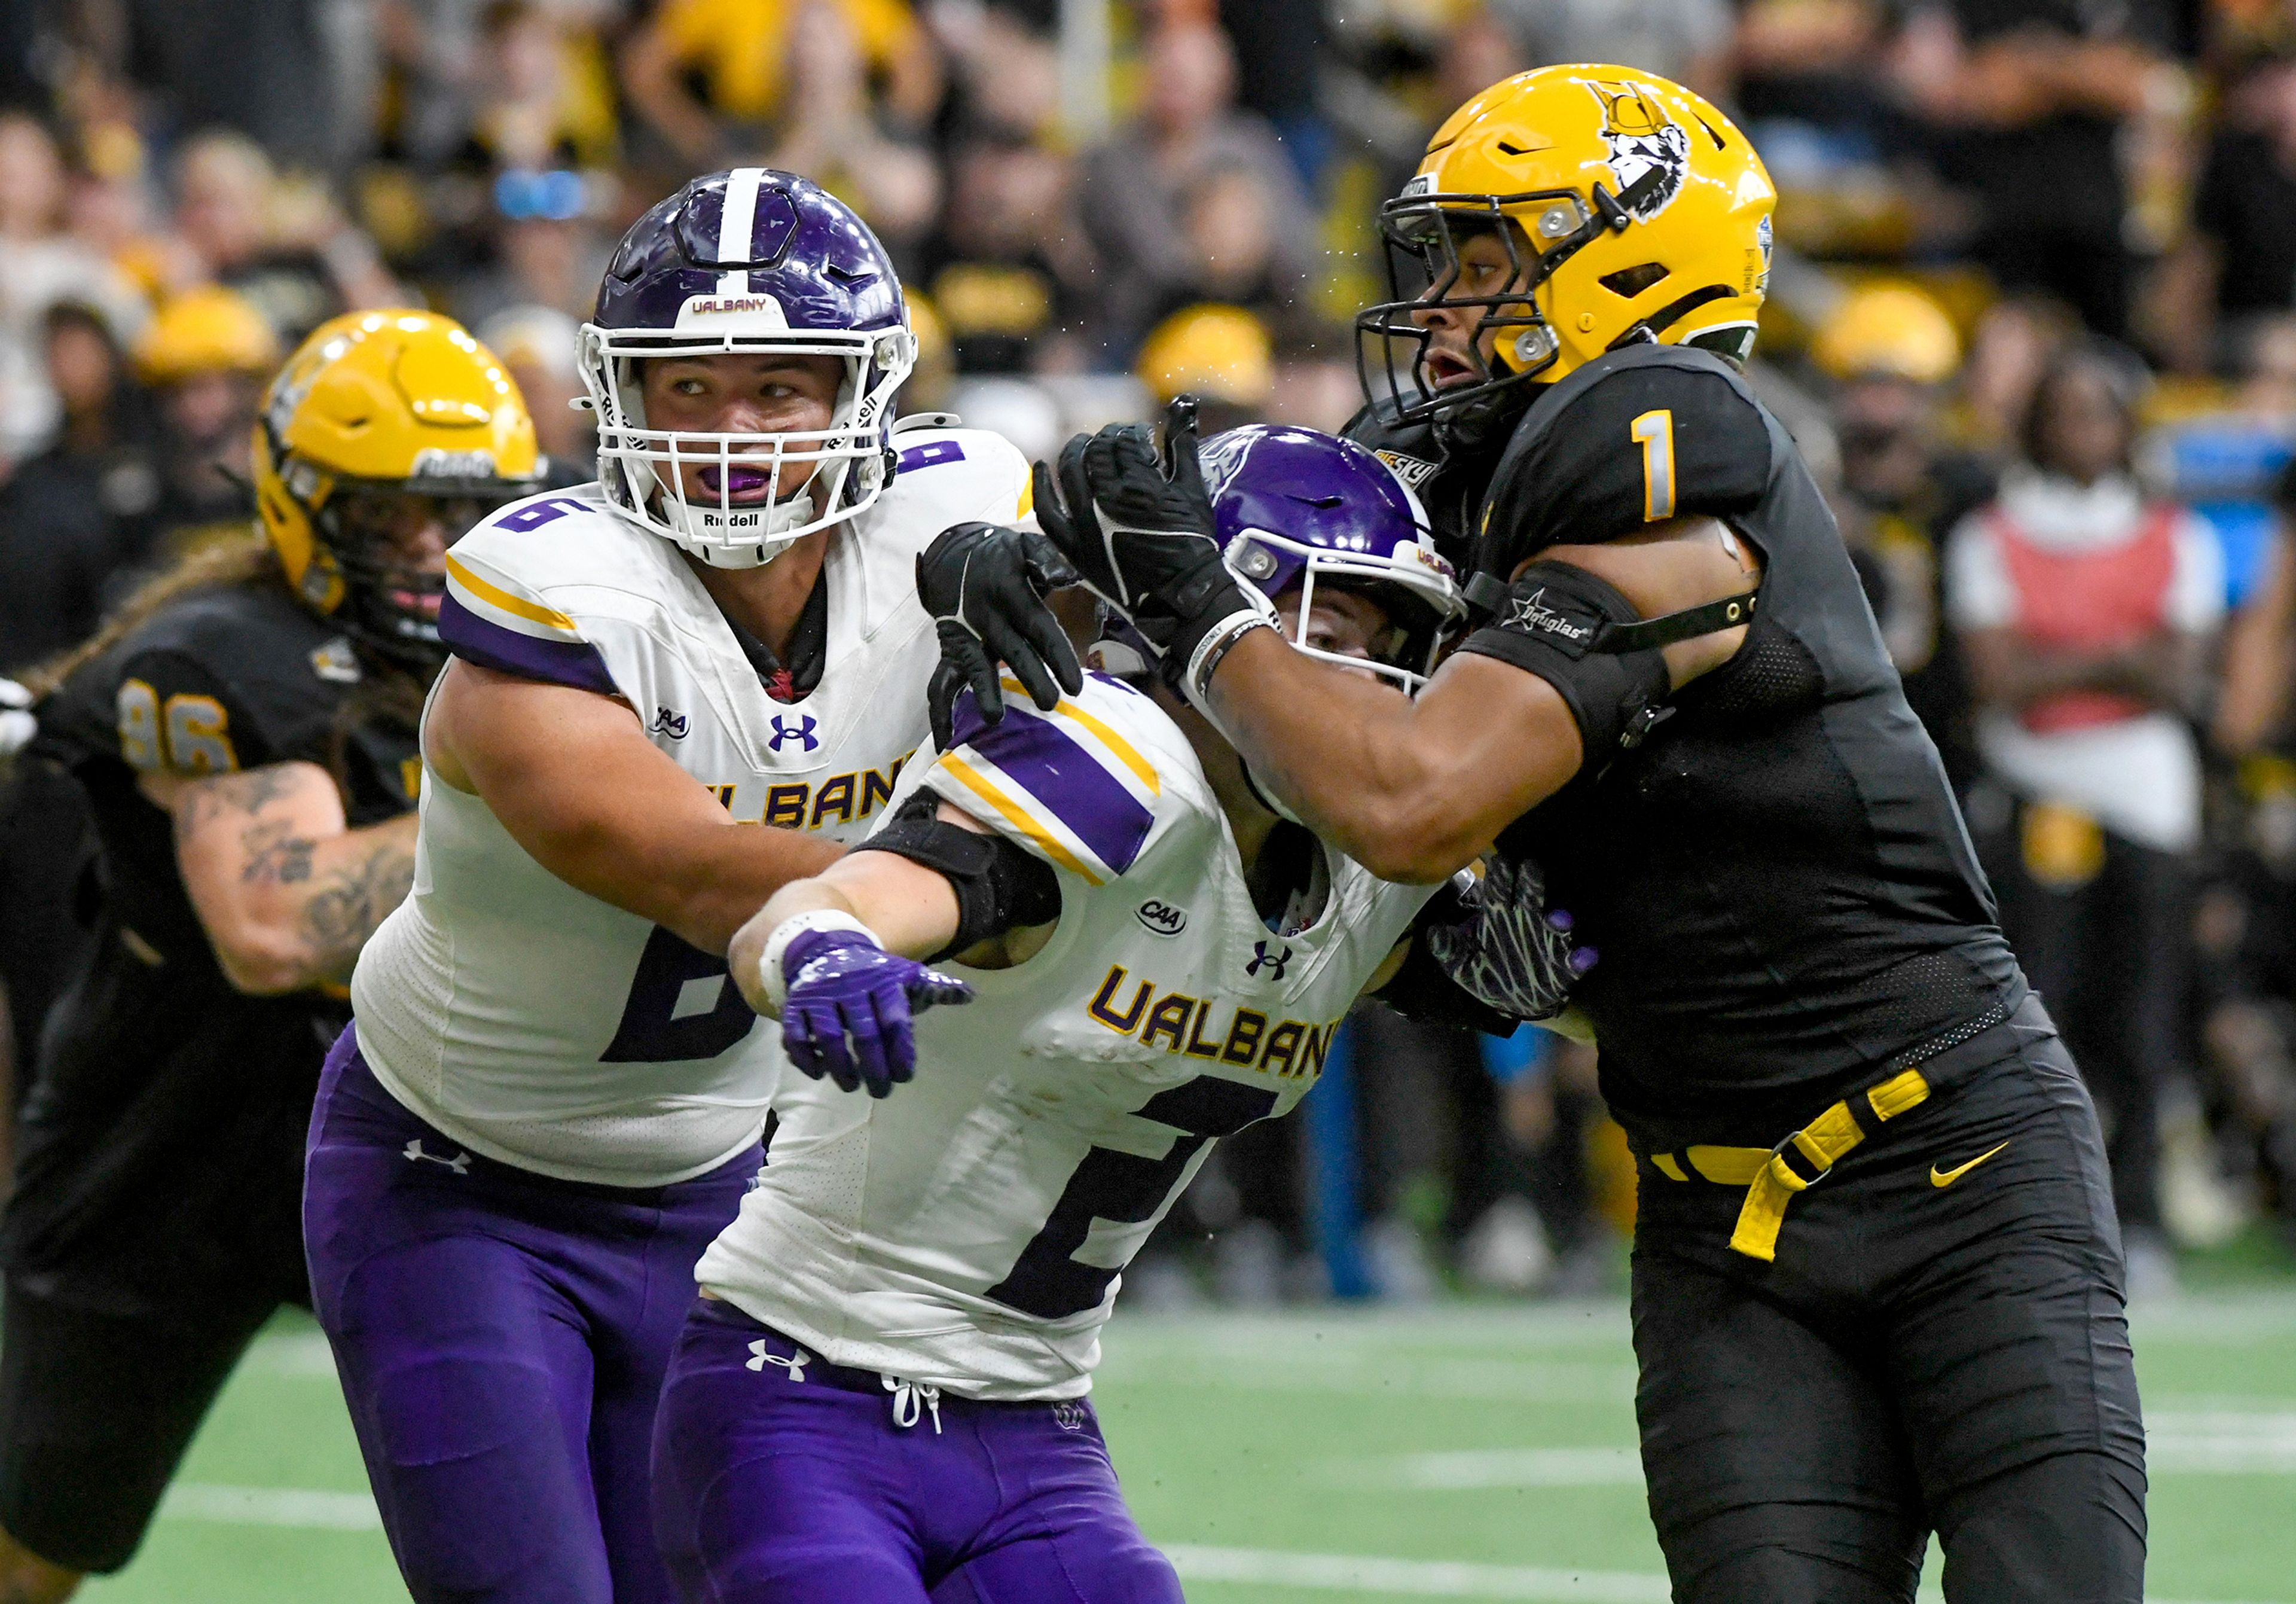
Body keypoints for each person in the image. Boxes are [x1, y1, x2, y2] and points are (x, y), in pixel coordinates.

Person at [934, 65, 2147, 1603]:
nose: (1442, 309)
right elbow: (1249, 545)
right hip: (1718, 1222)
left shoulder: (1668, 440)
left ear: (1632, 256)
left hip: (1959, 1165)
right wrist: (1023, 557)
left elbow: (1408, 792)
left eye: (1489, 264)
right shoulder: (1478, 474)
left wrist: (1192, 604)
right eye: (1441, 267)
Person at [300, 169, 1072, 1604]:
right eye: (689, 387)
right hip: (460, 1179)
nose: (730, 433)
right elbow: (683, 861)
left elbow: (1154, 734)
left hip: (728, 1186)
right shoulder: (554, 601)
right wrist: (943, 880)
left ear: (868, 392)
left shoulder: (952, 534)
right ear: (614, 400)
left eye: (780, 389)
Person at [652, 424, 1555, 1603]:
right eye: (1318, 631)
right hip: (804, 1397)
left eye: (1384, 642)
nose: (1352, 686)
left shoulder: (1380, 871)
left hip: (1037, 1432)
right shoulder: (1120, 768)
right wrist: (822, 950)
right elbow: (836, 905)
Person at [0, 307, 539, 1604]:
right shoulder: (218, 653)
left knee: (553, 1516)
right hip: (171, 1140)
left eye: (456, 516)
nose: (428, 553)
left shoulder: (552, 629)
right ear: (305, 508)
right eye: (387, 519)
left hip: (419, 1135)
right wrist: (537, 801)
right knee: (34, 1541)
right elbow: (277, 928)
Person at [1947, 341, 2221, 1295]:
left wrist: (2053, 658)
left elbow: (2180, 676)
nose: (2082, 431)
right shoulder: (1990, 532)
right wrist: (2121, 656)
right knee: (2040, 1009)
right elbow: (1998, 683)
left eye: (2099, 411)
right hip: (2037, 789)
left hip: (2147, 797)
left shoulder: (2176, 532)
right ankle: (2040, 1211)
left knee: (2143, 1013)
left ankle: (2140, 1211)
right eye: (2063, 410)